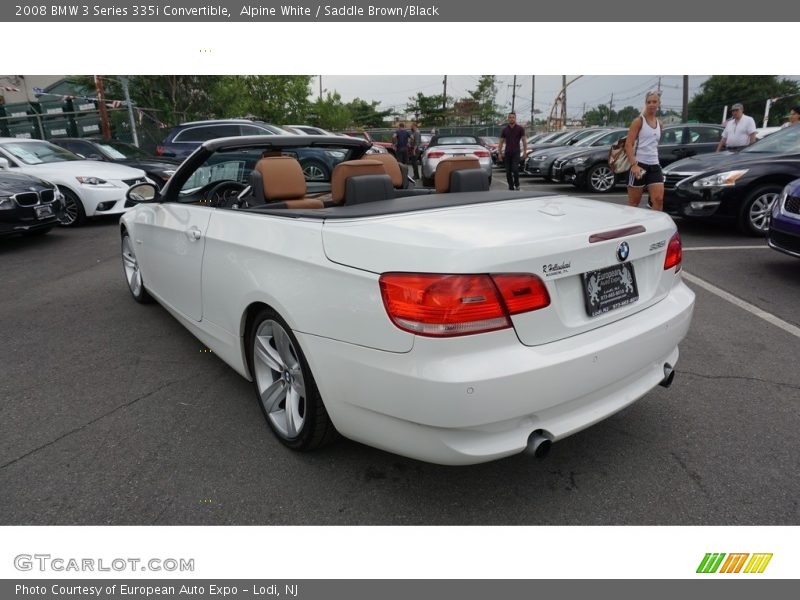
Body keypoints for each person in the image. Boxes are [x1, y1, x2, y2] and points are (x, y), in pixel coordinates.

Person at [625, 90, 665, 211]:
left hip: (654, 166)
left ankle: (656, 227)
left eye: (654, 102)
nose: (651, 104)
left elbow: (654, 144)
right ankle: (630, 227)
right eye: (649, 102)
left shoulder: (660, 124)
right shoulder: (638, 121)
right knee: (634, 203)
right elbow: (628, 144)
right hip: (639, 166)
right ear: (645, 104)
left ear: (659, 104)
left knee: (658, 200)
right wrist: (634, 165)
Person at [497, 112, 527, 191]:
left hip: (516, 152)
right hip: (507, 153)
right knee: (508, 172)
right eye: (510, 117)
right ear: (508, 119)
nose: (511, 119)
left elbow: (524, 141)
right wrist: (499, 153)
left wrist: (525, 152)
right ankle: (511, 186)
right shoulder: (505, 130)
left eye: (513, 117)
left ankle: (517, 185)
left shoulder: (520, 128)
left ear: (515, 118)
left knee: (515, 169)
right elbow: (501, 142)